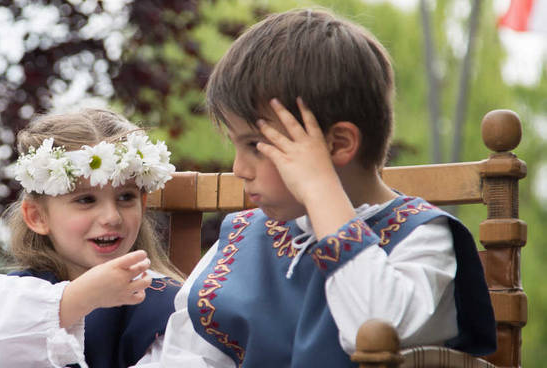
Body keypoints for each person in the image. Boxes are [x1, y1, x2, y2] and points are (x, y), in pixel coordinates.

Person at [135, 8, 496, 368]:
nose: (239, 169)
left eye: (256, 146)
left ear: (338, 145)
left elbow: (371, 331)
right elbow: (186, 355)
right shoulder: (241, 240)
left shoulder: (421, 238)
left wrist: (321, 192)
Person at [0, 108, 184, 368]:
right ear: (37, 217)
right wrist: (79, 297)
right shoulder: (18, 296)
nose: (112, 217)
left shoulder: (166, 305)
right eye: (85, 199)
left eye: (126, 197)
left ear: (142, 203)